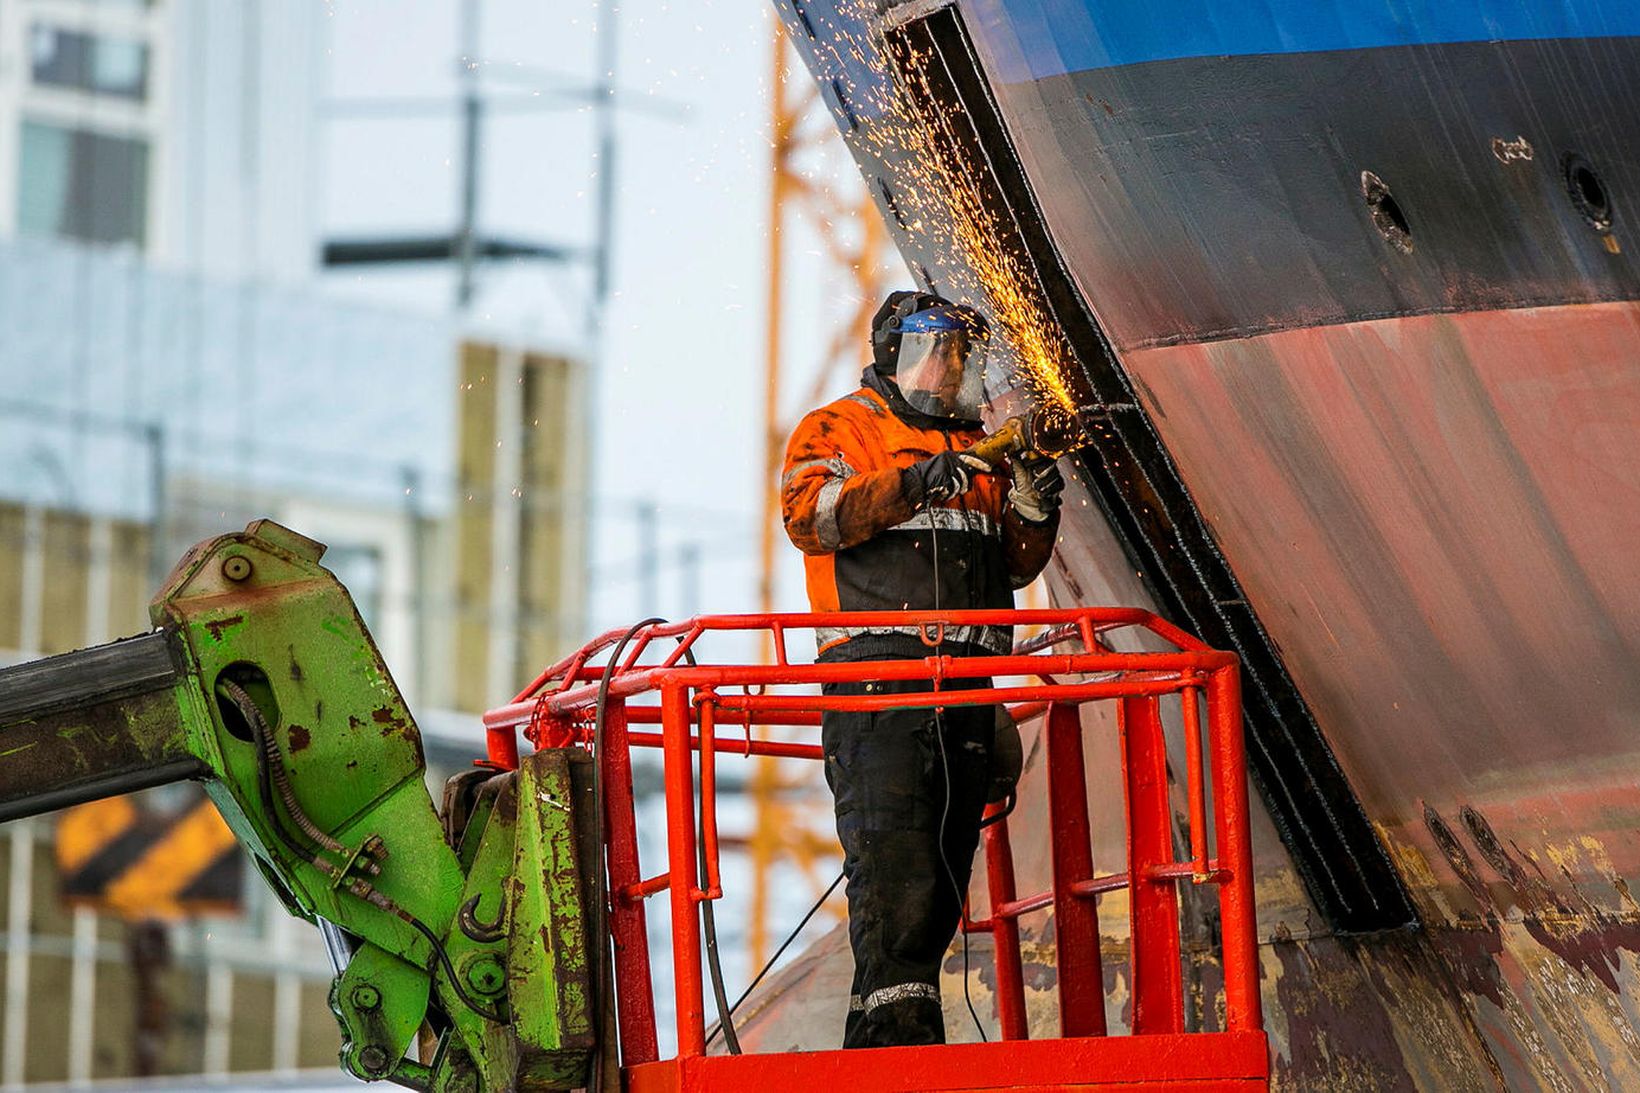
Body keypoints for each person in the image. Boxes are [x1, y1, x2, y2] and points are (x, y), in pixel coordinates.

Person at [780, 290, 1063, 1047]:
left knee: (939, 884)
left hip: (966, 686)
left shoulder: (975, 447)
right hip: (880, 687)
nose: (949, 364)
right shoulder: (843, 427)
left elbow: (1012, 560)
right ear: (894, 353)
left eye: (961, 351)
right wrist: (915, 482)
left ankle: (889, 1037)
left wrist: (1034, 500)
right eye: (935, 347)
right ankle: (901, 1043)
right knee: (896, 872)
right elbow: (811, 517)